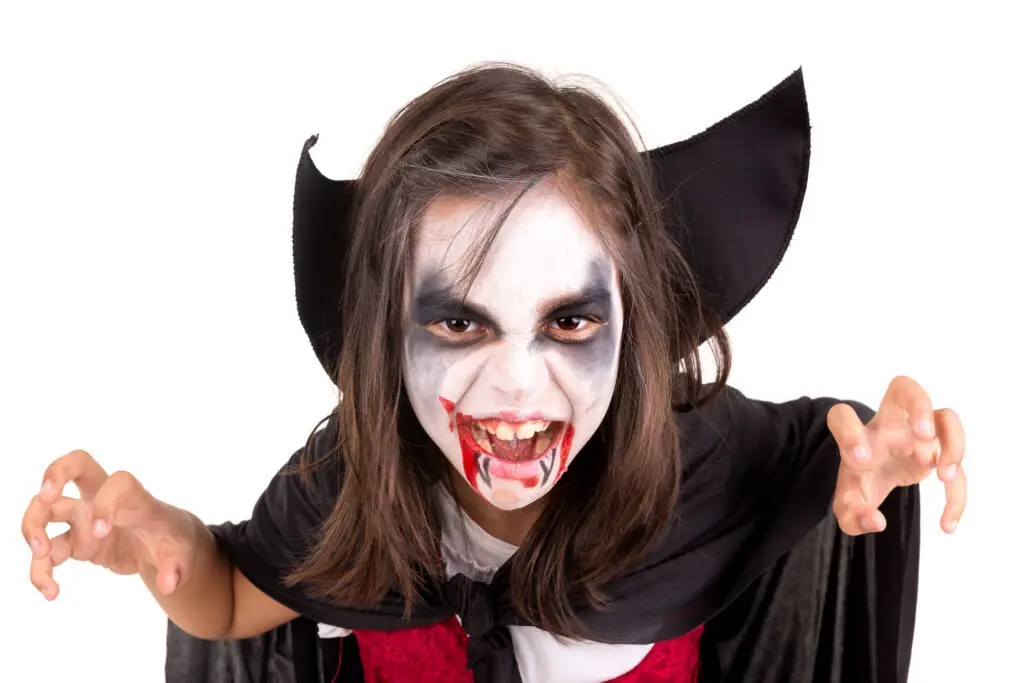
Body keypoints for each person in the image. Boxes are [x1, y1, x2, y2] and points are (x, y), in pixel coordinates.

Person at [22, 63, 966, 683]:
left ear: (631, 324)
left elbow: (821, 469)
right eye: (461, 321)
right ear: (389, 333)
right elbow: (230, 596)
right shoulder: (353, 487)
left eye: (568, 318)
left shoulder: (701, 468)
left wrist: (868, 461)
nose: (517, 386)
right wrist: (160, 544)